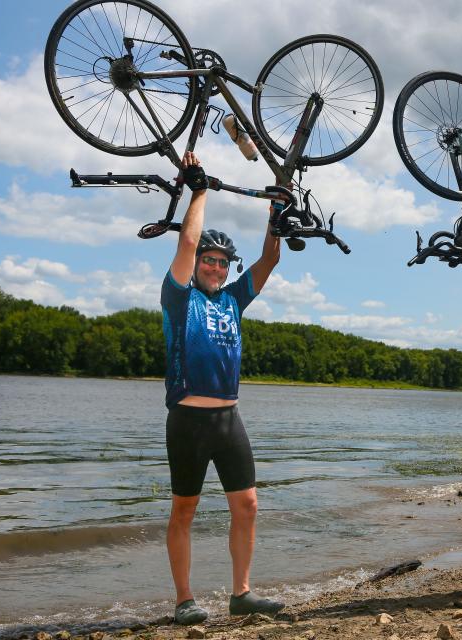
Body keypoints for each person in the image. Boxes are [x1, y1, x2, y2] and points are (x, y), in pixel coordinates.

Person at [161, 152, 285, 624]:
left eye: (221, 262)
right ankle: (184, 600)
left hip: (229, 419)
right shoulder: (178, 296)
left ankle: (242, 593)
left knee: (248, 504)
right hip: (188, 421)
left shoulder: (234, 298)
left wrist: (277, 209)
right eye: (208, 260)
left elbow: (270, 257)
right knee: (184, 511)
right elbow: (188, 241)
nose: (213, 266)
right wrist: (199, 191)